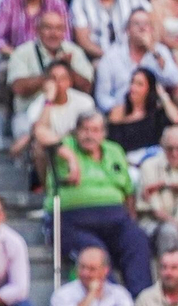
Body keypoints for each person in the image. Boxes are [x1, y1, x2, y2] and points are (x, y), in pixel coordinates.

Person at [47, 112, 153, 295]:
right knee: (96, 255)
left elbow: (127, 191)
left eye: (95, 130)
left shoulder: (114, 150)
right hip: (74, 221)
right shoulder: (64, 147)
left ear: (104, 133)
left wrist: (130, 216)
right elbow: (40, 132)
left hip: (116, 218)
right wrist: (71, 159)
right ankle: (112, 304)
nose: (90, 135)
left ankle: (141, 302)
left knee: (137, 240)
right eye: (85, 130)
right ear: (76, 132)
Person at [9, 22, 96, 149]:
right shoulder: (22, 52)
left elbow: (87, 86)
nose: (53, 33)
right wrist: (48, 77)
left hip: (69, 108)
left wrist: (68, 68)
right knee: (33, 142)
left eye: (58, 28)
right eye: (48, 27)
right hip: (28, 111)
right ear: (37, 30)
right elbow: (17, 87)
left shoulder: (73, 51)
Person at [95, 8, 178, 113]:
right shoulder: (112, 56)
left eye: (146, 24)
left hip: (154, 114)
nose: (142, 28)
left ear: (152, 29)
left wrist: (153, 51)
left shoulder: (159, 51)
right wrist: (120, 110)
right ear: (127, 30)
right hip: (122, 114)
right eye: (137, 24)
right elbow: (102, 97)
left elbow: (175, 80)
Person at [71, 0, 151, 61]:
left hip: (134, 57)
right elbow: (83, 40)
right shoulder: (80, 1)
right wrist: (109, 58)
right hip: (98, 59)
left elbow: (151, 19)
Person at [138, 125, 178, 254]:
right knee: (170, 231)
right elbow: (156, 211)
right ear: (162, 146)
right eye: (170, 149)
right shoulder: (149, 166)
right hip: (155, 224)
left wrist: (167, 184)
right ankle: (170, 272)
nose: (175, 154)